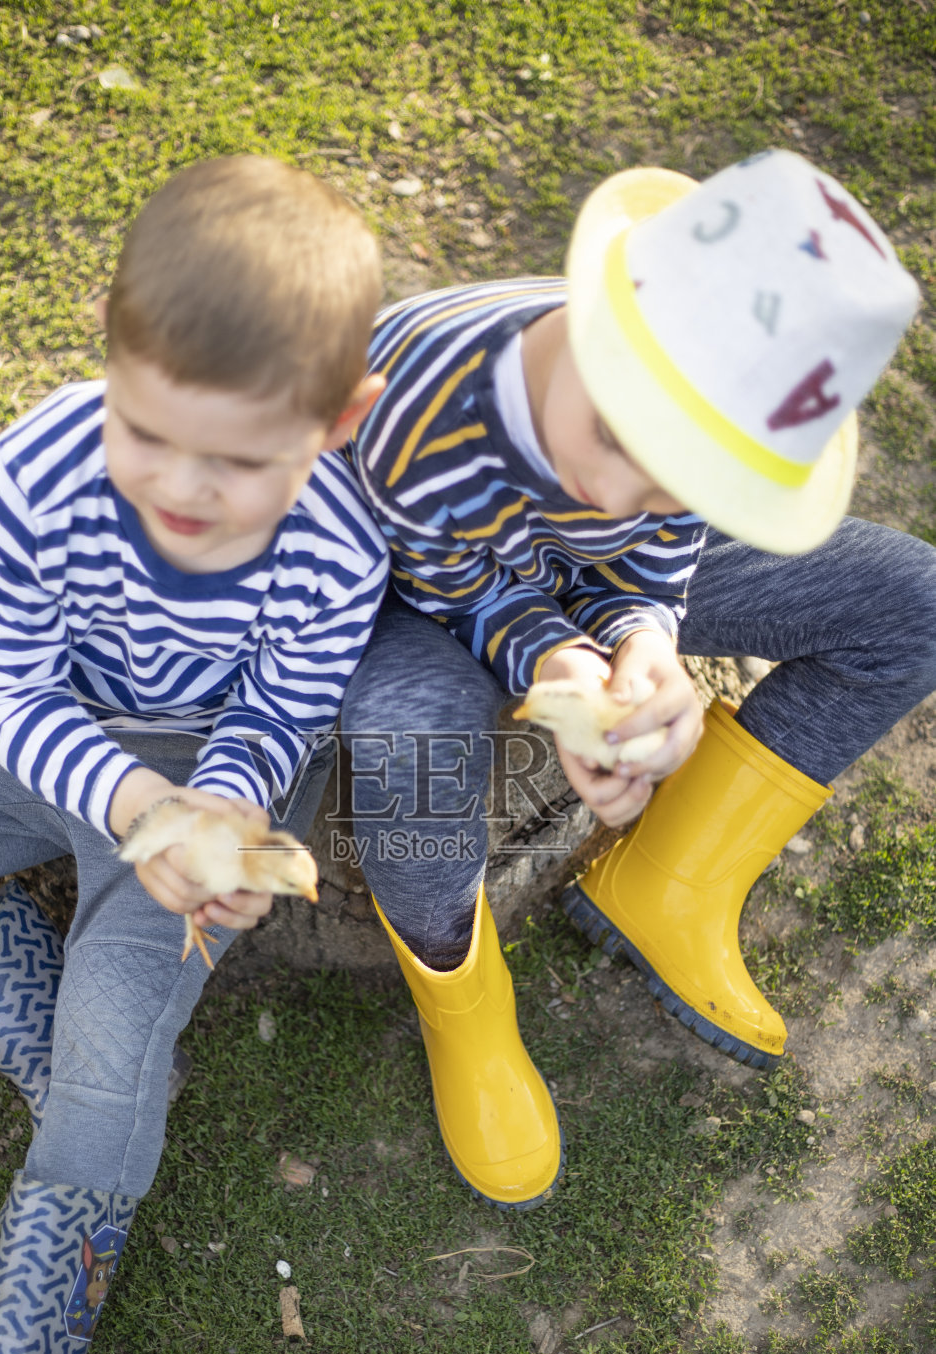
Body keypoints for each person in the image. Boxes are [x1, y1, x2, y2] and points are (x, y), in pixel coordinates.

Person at [0, 154, 388, 1354]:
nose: (185, 487)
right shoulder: (35, 475)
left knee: (120, 1016)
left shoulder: (338, 541)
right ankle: (81, 1082)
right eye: (148, 433)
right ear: (108, 352)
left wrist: (210, 817)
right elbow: (7, 688)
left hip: (224, 775)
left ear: (337, 421)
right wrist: (125, 799)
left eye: (236, 458)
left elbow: (281, 713)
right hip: (61, 743)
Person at [340, 149, 932, 1212]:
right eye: (616, 435)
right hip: (423, 596)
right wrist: (568, 669)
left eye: (680, 473)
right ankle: (460, 999)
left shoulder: (692, 417)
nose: (614, 488)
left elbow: (655, 546)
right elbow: (453, 580)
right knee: (405, 748)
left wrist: (645, 639)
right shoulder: (421, 395)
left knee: (908, 600)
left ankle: (670, 881)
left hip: (568, 586)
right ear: (599, 317)